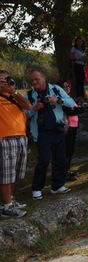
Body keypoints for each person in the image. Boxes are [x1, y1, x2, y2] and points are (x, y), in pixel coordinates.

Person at [26, 69, 75, 200]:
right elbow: (24, 114)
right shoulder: (30, 95)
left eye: (37, 79)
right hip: (42, 132)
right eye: (32, 80)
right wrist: (34, 109)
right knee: (43, 160)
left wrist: (57, 100)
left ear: (44, 78)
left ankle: (57, 186)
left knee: (60, 159)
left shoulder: (56, 89)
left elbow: (71, 102)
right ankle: (37, 188)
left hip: (57, 129)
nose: (34, 82)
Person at [0, 70, 31, 217]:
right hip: (4, 138)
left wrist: (13, 91)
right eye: (0, 81)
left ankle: (9, 200)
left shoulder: (15, 96)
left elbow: (28, 106)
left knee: (15, 173)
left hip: (21, 137)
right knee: (6, 174)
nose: (3, 83)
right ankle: (6, 206)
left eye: (6, 80)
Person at [57, 80, 85, 181]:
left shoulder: (69, 98)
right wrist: (80, 109)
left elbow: (76, 109)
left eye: (69, 86)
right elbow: (71, 111)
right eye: (65, 86)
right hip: (67, 128)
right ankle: (64, 173)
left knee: (70, 151)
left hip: (73, 126)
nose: (68, 87)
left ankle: (67, 170)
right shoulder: (61, 99)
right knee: (67, 151)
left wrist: (78, 109)